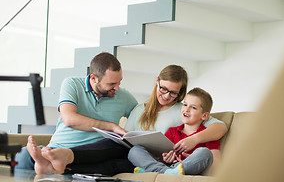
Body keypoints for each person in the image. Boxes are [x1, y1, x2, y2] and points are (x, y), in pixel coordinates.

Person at [26, 65, 227, 175]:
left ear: (180, 93)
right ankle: (58, 165)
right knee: (114, 147)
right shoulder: (139, 109)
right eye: (163, 89)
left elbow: (220, 126)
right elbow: (126, 137)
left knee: (116, 164)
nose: (166, 96)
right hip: (134, 154)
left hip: (152, 161)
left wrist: (193, 140)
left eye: (173, 93)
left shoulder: (183, 111)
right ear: (156, 81)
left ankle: (62, 161)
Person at [15, 52, 138, 176]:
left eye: (119, 82)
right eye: (111, 84)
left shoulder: (124, 97)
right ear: (93, 78)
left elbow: (144, 116)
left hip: (92, 154)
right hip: (56, 149)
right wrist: (111, 127)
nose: (117, 88)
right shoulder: (72, 84)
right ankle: (54, 165)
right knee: (23, 156)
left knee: (121, 160)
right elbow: (69, 119)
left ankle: (54, 166)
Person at [128, 87, 220, 175]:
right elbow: (162, 156)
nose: (186, 109)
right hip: (166, 167)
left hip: (189, 169)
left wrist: (190, 161)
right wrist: (165, 158)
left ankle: (154, 171)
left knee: (204, 152)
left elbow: (215, 164)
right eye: (185, 104)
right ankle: (167, 172)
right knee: (135, 150)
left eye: (193, 107)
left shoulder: (208, 135)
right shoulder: (172, 131)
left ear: (204, 116)